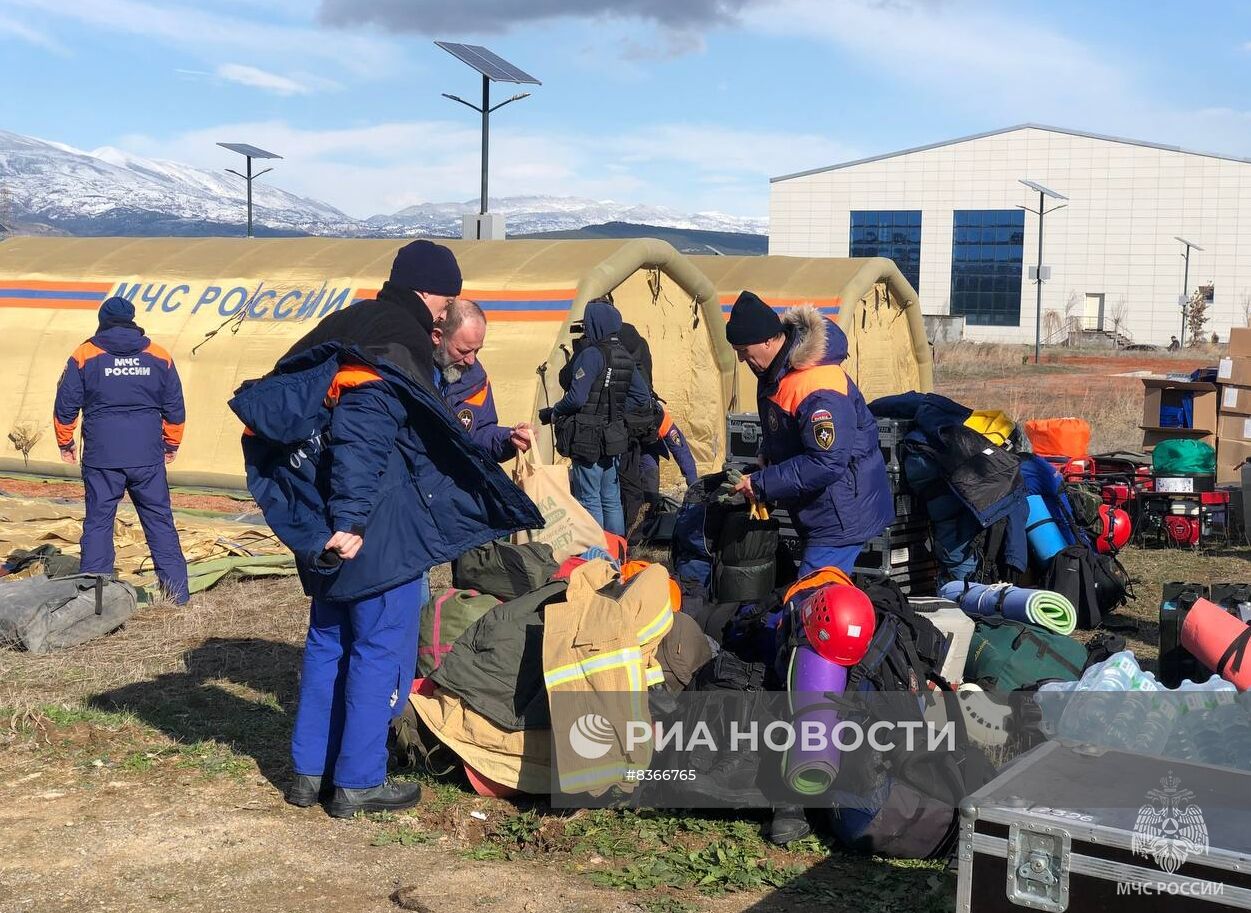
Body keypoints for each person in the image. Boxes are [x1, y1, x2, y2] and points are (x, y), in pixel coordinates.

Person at [234, 240, 541, 819]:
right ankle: (358, 780)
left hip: (322, 522)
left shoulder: (350, 322)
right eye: (447, 299)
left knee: (328, 643)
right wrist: (352, 519)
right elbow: (364, 427)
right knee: (379, 649)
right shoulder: (397, 339)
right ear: (431, 294)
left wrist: (331, 520)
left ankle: (309, 772)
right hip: (372, 528)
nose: (447, 311)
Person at [725, 290, 894, 578]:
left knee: (811, 600)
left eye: (745, 351)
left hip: (840, 513)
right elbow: (790, 428)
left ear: (768, 340)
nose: (742, 360)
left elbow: (826, 461)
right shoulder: (775, 374)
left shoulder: (818, 385)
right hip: (821, 509)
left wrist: (762, 483)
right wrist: (769, 453)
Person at [53, 296, 189, 604]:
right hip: (146, 456)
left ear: (102, 321)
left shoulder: (84, 355)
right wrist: (171, 444)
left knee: (99, 524)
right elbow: (176, 408)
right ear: (132, 320)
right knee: (159, 522)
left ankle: (95, 601)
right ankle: (177, 598)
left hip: (103, 456)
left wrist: (66, 442)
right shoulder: (159, 355)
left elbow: (65, 406)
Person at [538, 299, 650, 536]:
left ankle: (596, 558)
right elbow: (642, 397)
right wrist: (615, 408)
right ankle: (617, 553)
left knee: (589, 498)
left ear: (594, 324)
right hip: (614, 436)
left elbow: (577, 398)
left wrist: (556, 411)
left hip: (587, 437)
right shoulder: (625, 356)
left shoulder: (591, 354)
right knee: (610, 497)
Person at [432, 297, 533, 461]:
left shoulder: (476, 380)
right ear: (437, 337)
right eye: (464, 351)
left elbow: (480, 432)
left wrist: (510, 439)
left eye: (476, 351)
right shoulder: (407, 372)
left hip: (454, 482)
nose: (471, 360)